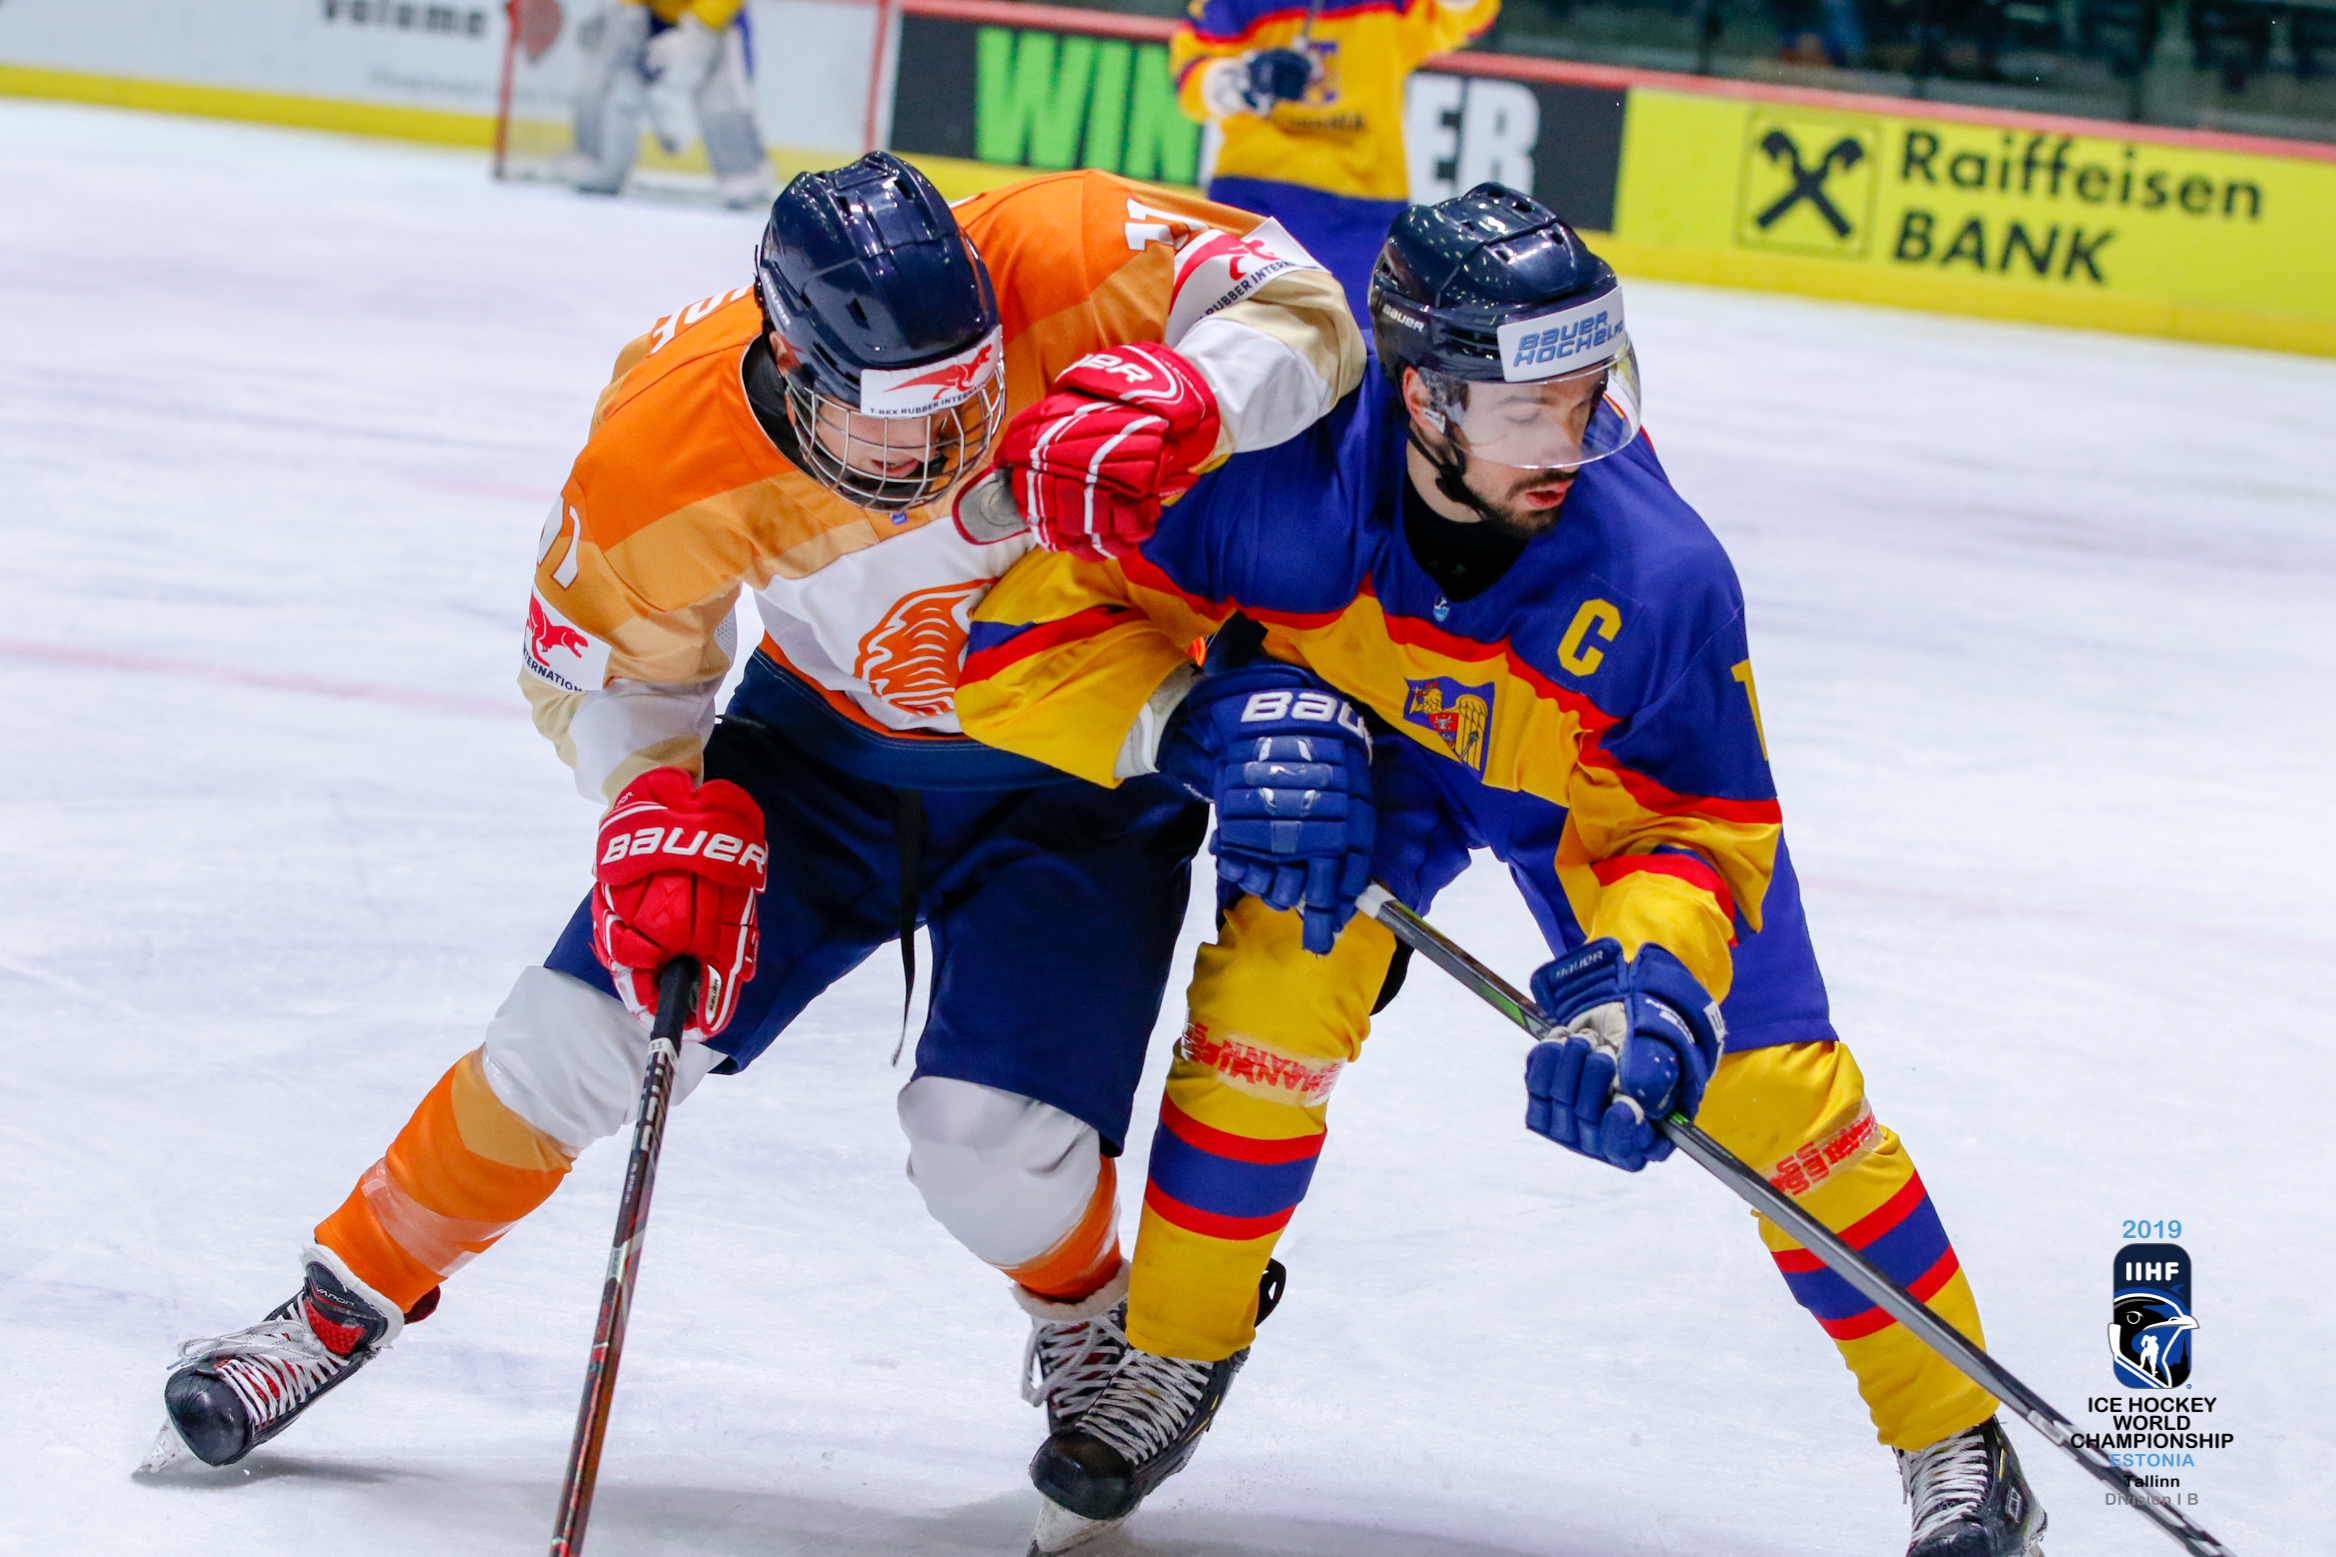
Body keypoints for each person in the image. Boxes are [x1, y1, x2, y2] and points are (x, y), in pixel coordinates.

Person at [149, 154, 1363, 1505]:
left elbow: (1303, 305)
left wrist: (1190, 390)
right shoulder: (665, 438)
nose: (950, 454)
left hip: (1091, 774)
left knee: (991, 1151)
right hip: (819, 755)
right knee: (572, 1040)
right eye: (901, 429)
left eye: (971, 398)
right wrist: (655, 802)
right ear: (795, 370)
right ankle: (336, 1301)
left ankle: (1085, 1309)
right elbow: (601, 673)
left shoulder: (1063, 247)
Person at [956, 184, 2050, 1557]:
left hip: (1577, 787)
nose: (1577, 437)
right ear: (1421, 400)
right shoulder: (1269, 475)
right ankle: (1175, 1347)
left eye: (1594, 393)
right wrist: (1205, 724)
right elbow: (1007, 648)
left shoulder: (1660, 579)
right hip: (1360, 739)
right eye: (1533, 407)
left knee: (1770, 1089)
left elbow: (1698, 835)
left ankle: (1957, 1435)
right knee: (1272, 994)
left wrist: (1653, 988)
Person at [1171, 0, 1501, 325]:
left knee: (1356, 355)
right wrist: (1245, 78)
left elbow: (1464, 16)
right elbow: (1191, 71)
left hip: (1362, 210)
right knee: (1223, 338)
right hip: (1256, 195)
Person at [561, 0, 772, 207]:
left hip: (716, 20)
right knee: (610, 76)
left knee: (722, 97)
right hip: (647, 14)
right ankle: (597, 160)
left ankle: (742, 174)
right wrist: (629, 8)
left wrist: (703, 22)